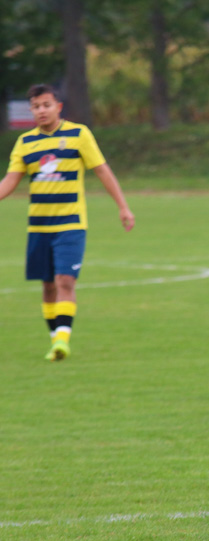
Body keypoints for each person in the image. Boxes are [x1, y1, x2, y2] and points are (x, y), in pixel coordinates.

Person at [0, 84, 135, 361]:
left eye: (46, 105)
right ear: (31, 110)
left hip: (70, 224)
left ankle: (63, 341)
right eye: (36, 106)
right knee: (47, 285)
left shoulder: (78, 134)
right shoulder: (25, 143)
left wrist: (123, 206)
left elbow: (102, 171)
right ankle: (55, 340)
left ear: (58, 107)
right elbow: (8, 183)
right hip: (38, 227)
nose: (42, 111)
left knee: (65, 280)